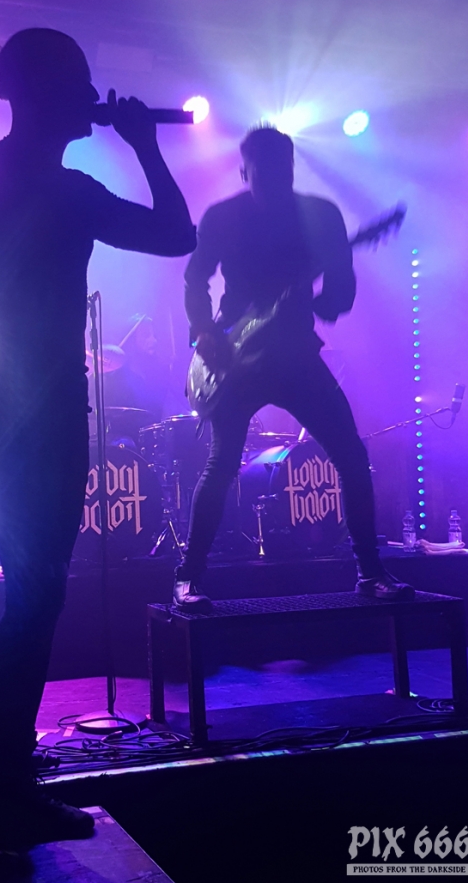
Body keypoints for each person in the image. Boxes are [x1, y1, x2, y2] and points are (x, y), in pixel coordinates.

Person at [0, 28, 195, 850]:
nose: (93, 99)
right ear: (47, 94)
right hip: (38, 414)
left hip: (18, 410)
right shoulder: (64, 191)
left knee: (35, 599)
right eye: (82, 85)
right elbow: (177, 233)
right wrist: (145, 146)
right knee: (34, 600)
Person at [177, 125, 413, 612]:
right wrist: (204, 333)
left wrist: (328, 301)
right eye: (261, 174)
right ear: (244, 172)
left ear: (291, 168)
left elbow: (341, 287)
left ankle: (370, 572)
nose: (272, 182)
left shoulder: (321, 215)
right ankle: (187, 578)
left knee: (351, 455)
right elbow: (195, 278)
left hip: (295, 354)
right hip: (235, 358)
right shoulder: (222, 216)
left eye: (280, 173)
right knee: (222, 465)